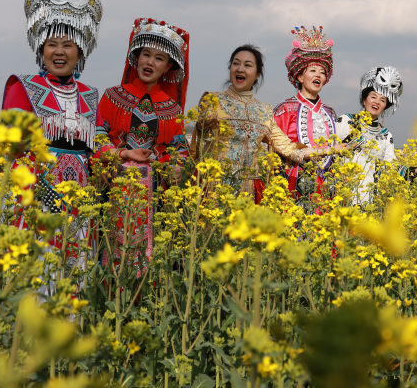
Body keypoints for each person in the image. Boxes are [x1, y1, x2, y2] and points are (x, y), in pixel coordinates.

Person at [1, 0, 105, 273]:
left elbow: (97, 151)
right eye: (52, 44)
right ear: (40, 48)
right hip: (33, 200)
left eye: (68, 45)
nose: (59, 52)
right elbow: (12, 149)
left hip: (79, 206)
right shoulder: (23, 87)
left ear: (81, 51)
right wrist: (44, 193)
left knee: (70, 281)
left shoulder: (90, 95)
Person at [97, 17, 190, 269]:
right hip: (114, 184)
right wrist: (121, 154)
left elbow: (179, 149)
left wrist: (172, 166)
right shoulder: (112, 96)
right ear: (135, 57)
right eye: (146, 54)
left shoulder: (172, 109)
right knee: (107, 252)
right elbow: (97, 136)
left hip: (152, 189)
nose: (150, 62)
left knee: (148, 258)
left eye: (159, 58)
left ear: (169, 66)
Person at [190, 44, 316, 200]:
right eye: (236, 63)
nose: (240, 69)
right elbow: (199, 138)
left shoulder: (264, 110)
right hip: (214, 189)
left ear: (257, 74)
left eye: (247, 65)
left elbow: (287, 147)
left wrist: (328, 150)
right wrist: (205, 124)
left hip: (248, 192)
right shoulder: (212, 100)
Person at [335, 66, 417, 204]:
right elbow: (328, 151)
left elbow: (389, 168)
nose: (377, 102)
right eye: (373, 97)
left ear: (385, 107)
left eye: (382, 100)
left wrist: (414, 171)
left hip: (368, 200)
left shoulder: (386, 135)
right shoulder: (346, 120)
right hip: (340, 195)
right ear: (364, 100)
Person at [273, 26, 341, 198]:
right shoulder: (285, 110)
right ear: (300, 77)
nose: (318, 75)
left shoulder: (330, 113)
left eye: (322, 72)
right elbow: (273, 149)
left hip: (326, 184)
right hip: (293, 182)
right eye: (312, 70)